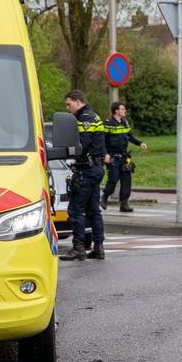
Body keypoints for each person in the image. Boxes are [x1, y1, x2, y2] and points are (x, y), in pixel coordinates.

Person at [61, 89, 108, 261]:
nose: (68, 109)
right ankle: (99, 248)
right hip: (95, 168)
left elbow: (82, 145)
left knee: (75, 210)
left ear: (78, 101)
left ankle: (78, 248)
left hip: (86, 171)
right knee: (93, 210)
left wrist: (67, 151)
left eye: (69, 104)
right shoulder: (94, 116)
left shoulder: (84, 118)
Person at [101, 101, 147, 212]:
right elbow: (101, 140)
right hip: (112, 157)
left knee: (126, 180)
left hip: (124, 157)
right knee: (113, 179)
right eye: (122, 109)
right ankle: (105, 196)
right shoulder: (108, 123)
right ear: (116, 111)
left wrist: (140, 143)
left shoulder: (125, 123)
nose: (124, 111)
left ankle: (124, 203)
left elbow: (130, 136)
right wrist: (105, 154)